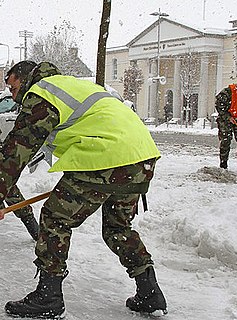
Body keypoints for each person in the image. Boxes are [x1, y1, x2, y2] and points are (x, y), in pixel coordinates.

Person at [0, 60, 167, 319]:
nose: (13, 94)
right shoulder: (70, 85)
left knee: (55, 218)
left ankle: (48, 296)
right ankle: (149, 291)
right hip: (141, 156)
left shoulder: (42, 92)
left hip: (105, 155)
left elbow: (16, 151)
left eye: (12, 86)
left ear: (24, 77)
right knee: (118, 228)